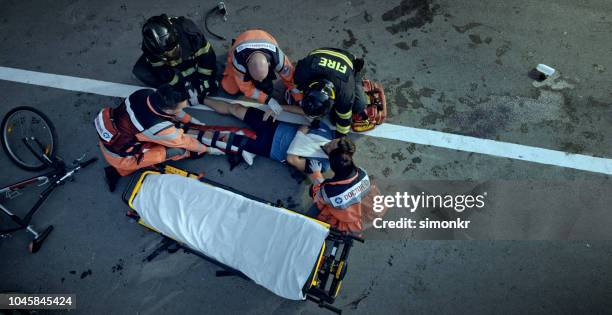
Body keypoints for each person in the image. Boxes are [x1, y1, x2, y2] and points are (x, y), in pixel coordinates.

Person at [95, 85, 222, 191]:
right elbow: (184, 141)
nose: (182, 109)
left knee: (158, 138)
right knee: (181, 151)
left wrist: (190, 120)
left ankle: (124, 167)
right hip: (123, 158)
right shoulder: (157, 127)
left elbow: (174, 111)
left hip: (111, 142)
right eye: (181, 107)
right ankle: (120, 171)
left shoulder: (144, 93)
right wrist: (207, 149)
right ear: (168, 110)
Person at [205, 99, 336, 173]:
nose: (328, 143)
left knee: (223, 138)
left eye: (331, 146)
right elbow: (306, 114)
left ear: (332, 155)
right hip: (273, 126)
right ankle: (200, 99)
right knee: (236, 109)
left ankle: (189, 132)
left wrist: (301, 133)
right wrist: (280, 108)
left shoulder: (322, 165)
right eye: (334, 141)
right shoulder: (326, 133)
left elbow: (292, 160)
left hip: (267, 147)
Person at [132, 14, 218, 102]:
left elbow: (207, 56)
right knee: (140, 70)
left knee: (211, 81)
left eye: (171, 51)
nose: (170, 58)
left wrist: (204, 80)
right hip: (175, 70)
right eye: (164, 55)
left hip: (191, 60)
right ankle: (168, 91)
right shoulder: (150, 49)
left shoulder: (190, 33)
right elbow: (162, 70)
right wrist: (180, 87)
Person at [221, 29, 300, 119]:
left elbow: (290, 79)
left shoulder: (279, 59)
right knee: (230, 89)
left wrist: (299, 98)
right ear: (247, 69)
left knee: (267, 85)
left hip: (265, 37)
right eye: (257, 78)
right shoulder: (238, 64)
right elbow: (246, 88)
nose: (260, 81)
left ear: (269, 64)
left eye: (262, 77)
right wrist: (267, 99)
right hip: (243, 39)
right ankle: (234, 44)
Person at [292, 47, 371, 137]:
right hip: (322, 53)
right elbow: (295, 88)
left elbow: (344, 119)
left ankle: (358, 80)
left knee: (358, 105)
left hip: (348, 60)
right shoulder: (302, 73)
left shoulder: (345, 94)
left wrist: (340, 136)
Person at [307, 137, 371, 233]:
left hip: (345, 220)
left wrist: (317, 173)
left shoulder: (331, 192)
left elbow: (318, 197)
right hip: (361, 212)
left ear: (334, 168)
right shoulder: (363, 173)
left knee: (313, 191)